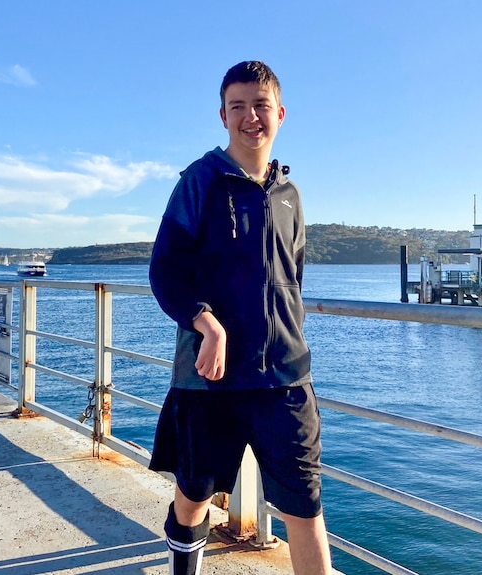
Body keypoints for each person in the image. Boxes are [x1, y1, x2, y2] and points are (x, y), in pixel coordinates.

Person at [148, 60, 333, 575]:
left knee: (305, 507)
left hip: (285, 379)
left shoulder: (290, 197)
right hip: (211, 380)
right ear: (222, 116)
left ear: (280, 112)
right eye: (238, 107)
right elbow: (165, 271)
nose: (250, 116)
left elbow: (291, 280)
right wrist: (205, 321)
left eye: (260, 105)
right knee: (193, 500)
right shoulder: (199, 182)